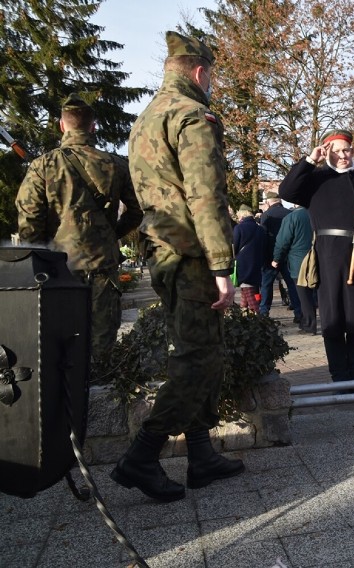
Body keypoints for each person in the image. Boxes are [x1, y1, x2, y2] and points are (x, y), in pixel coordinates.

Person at [111, 31, 244, 503]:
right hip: (190, 257)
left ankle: (202, 455)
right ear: (200, 72)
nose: (213, 85)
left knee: (203, 353)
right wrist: (221, 267)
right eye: (213, 77)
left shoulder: (146, 118)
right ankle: (141, 457)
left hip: (164, 253)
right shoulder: (193, 115)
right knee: (197, 360)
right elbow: (204, 195)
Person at [16, 93, 143, 363]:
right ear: (93, 126)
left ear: (62, 126)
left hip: (58, 270)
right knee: (101, 348)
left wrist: (44, 253)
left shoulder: (43, 166)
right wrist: (111, 235)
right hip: (102, 267)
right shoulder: (116, 165)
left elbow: (29, 223)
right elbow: (137, 211)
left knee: (59, 346)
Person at [280, 128, 354, 387]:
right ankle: (339, 377)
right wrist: (310, 160)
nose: (344, 155)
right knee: (333, 320)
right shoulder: (315, 179)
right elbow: (286, 191)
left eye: (348, 150)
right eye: (338, 150)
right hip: (329, 258)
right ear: (327, 151)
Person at [272, 204, 317, 334]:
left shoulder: (292, 217)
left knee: (304, 295)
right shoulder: (319, 214)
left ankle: (309, 325)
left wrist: (276, 258)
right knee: (319, 294)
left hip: (299, 262)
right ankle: (327, 323)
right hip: (320, 259)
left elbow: (282, 241)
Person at [259, 191, 301, 321]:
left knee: (266, 285)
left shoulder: (266, 215)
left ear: (268, 202)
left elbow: (263, 237)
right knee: (292, 285)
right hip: (289, 255)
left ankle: (264, 312)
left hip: (270, 256)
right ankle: (298, 312)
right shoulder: (290, 214)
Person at [233, 205, 268, 312]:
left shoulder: (239, 228)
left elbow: (234, 246)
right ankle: (244, 312)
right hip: (257, 262)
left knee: (248, 291)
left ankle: (257, 316)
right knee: (247, 290)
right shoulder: (260, 229)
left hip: (243, 263)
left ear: (242, 215)